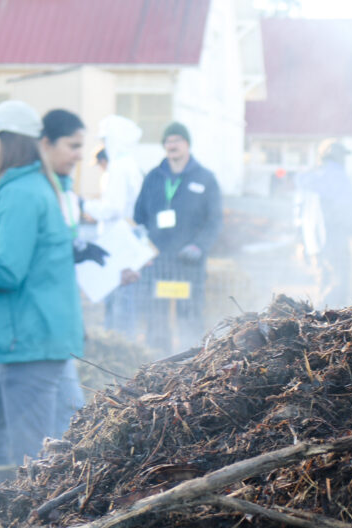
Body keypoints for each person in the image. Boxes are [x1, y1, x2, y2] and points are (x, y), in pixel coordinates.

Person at [0, 100, 83, 487]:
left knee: (32, 455)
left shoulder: (21, 194)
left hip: (29, 339)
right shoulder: (28, 186)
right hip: (22, 339)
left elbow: (6, 270)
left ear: (6, 142)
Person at [38, 109, 102, 437]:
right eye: (72, 146)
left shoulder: (64, 190)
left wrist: (77, 250)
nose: (79, 155)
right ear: (46, 143)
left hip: (59, 324)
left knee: (70, 412)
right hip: (39, 329)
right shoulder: (36, 192)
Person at [133, 121, 222, 353]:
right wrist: (146, 250)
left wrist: (199, 247)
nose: (171, 145)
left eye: (177, 140)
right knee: (156, 318)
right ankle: (157, 363)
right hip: (159, 262)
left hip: (189, 263)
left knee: (189, 316)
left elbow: (214, 220)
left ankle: (191, 362)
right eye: (167, 141)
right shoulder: (153, 177)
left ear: (187, 144)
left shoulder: (205, 178)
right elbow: (139, 215)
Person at [85, 115, 145, 335]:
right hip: (124, 239)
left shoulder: (119, 167)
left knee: (119, 299)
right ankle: (120, 339)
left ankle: (118, 341)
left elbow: (113, 208)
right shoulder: (129, 164)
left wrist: (85, 205)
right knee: (122, 297)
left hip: (118, 242)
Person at [296, 139, 352, 308]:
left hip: (314, 242)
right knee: (338, 283)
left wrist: (300, 240)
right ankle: (332, 324)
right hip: (335, 238)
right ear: (337, 156)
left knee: (322, 282)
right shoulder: (339, 176)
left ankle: (319, 322)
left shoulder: (307, 178)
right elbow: (348, 209)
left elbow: (299, 212)